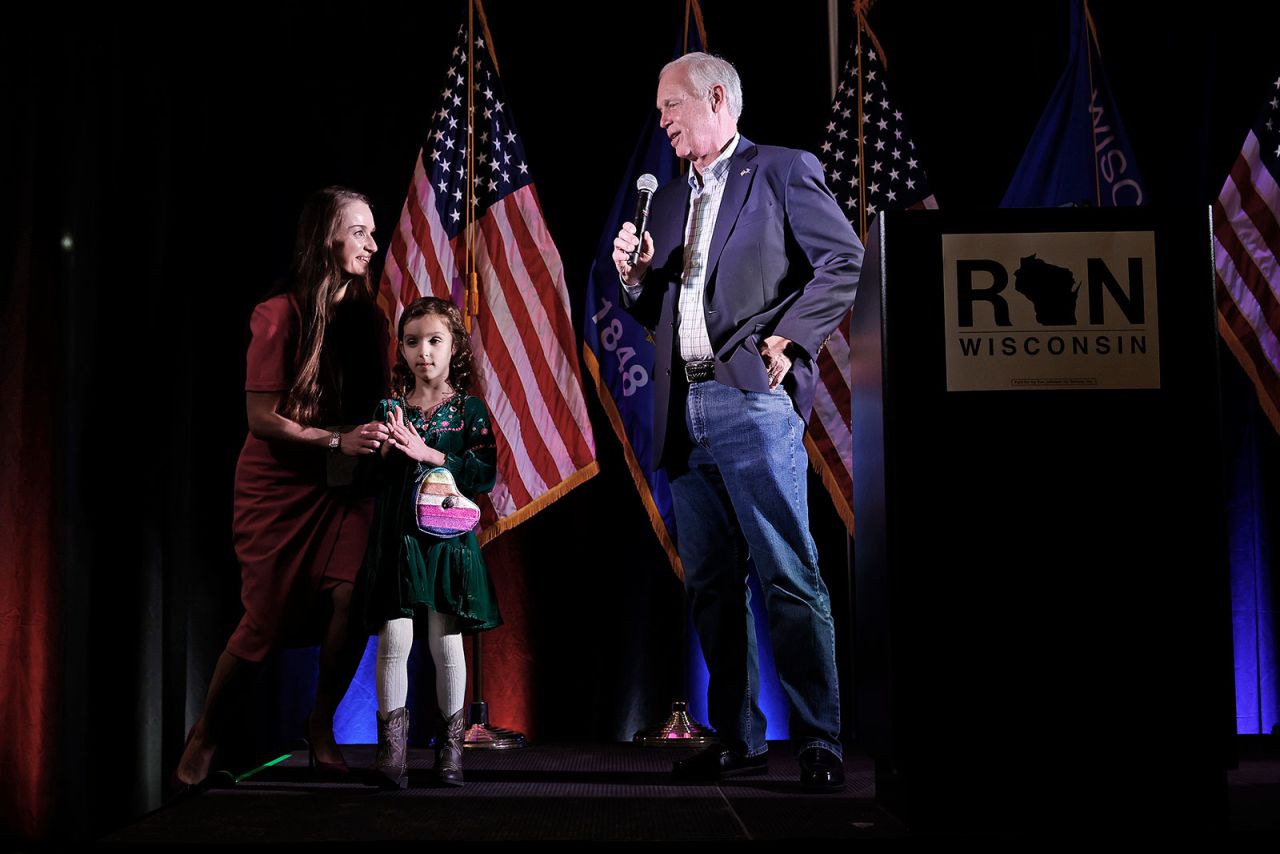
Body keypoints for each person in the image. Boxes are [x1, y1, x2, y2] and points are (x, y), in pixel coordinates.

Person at [611, 52, 862, 791]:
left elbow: (842, 258)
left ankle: (819, 738)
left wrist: (793, 335)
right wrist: (637, 278)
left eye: (669, 106)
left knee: (788, 573)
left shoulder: (781, 170)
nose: (661, 121)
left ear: (716, 98)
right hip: (681, 408)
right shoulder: (669, 195)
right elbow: (666, 303)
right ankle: (739, 737)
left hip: (749, 399)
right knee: (713, 586)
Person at [173, 187, 391, 790]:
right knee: (263, 622)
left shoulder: (371, 319)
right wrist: (332, 441)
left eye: (374, 232)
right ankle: (205, 737)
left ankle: (320, 727)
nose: (373, 245)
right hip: (279, 482)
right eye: (360, 232)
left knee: (354, 597)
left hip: (345, 483)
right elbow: (262, 418)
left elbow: (374, 399)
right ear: (327, 237)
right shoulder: (279, 313)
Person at [355, 296, 502, 789]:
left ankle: (451, 753)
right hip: (399, 540)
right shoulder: (390, 409)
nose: (424, 352)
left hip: (446, 542)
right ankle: (392, 754)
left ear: (454, 345)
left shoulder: (469, 411)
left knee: (446, 642)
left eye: (435, 340)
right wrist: (374, 448)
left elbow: (483, 473)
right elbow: (368, 477)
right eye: (412, 341)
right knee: (395, 639)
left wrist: (430, 452)